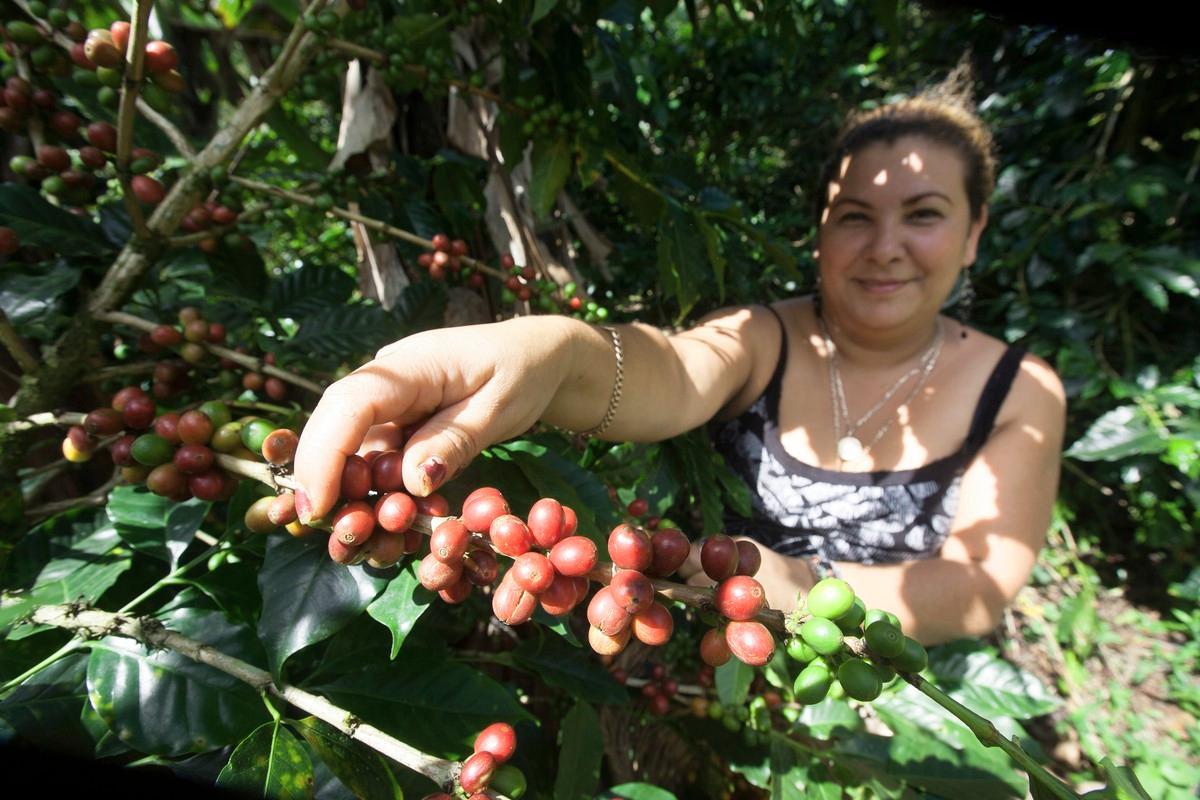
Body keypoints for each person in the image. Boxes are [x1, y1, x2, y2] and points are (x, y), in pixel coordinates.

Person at [293, 68, 1066, 646]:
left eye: (925, 215)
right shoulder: (764, 337)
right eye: (854, 217)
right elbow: (670, 369)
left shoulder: (1020, 391)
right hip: (695, 656)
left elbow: (979, 585)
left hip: (884, 708)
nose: (886, 248)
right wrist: (550, 352)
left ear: (973, 232)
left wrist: (805, 583)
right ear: (821, 234)